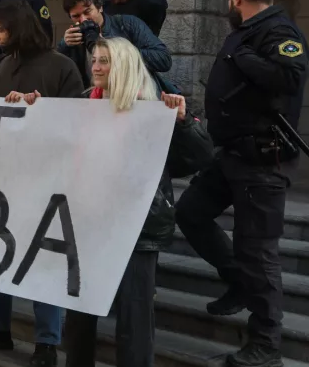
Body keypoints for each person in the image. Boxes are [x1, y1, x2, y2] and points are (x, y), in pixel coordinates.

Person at [175, 0, 308, 367]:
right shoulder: (249, 30)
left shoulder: (278, 31)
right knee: (191, 212)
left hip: (262, 162)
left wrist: (243, 56)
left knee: (259, 251)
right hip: (231, 155)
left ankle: (266, 344)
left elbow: (290, 74)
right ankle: (237, 280)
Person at [62, 37, 212, 367]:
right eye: (94, 60)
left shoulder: (152, 109)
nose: (96, 67)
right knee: (79, 316)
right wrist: (27, 106)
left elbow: (198, 156)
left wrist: (183, 123)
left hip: (137, 228)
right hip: (90, 223)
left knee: (134, 318)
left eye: (105, 61)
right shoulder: (86, 102)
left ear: (124, 66)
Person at [0, 0, 83, 367]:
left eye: (0, 29)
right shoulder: (2, 68)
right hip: (6, 176)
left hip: (48, 178)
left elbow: (76, 122)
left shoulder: (63, 67)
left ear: (18, 28)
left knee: (44, 259)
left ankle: (47, 342)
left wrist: (40, 110)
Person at [59, 0, 172, 89]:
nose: (83, 19)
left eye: (87, 11)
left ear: (100, 8)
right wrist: (64, 46)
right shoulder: (73, 39)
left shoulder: (128, 24)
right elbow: (59, 76)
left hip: (135, 97)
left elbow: (163, 59)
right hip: (96, 101)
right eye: (76, 16)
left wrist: (120, 53)